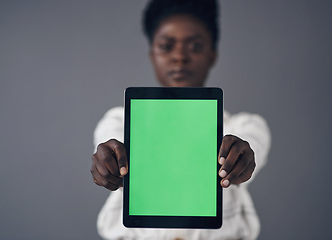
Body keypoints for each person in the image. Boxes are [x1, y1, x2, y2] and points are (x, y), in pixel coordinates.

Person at [91, 0, 271, 239]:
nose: (179, 57)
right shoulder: (119, 121)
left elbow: (251, 146)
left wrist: (242, 160)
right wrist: (109, 163)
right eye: (166, 46)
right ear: (152, 54)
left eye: (195, 46)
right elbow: (109, 144)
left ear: (212, 55)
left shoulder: (244, 127)